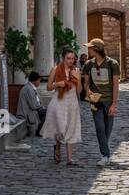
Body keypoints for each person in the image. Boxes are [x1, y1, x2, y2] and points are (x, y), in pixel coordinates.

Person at [83, 37, 120, 166]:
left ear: (96, 49)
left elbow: (115, 85)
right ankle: (105, 155)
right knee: (99, 127)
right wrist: (87, 90)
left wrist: (114, 103)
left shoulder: (112, 64)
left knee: (107, 129)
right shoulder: (88, 64)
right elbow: (86, 83)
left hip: (109, 100)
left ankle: (105, 151)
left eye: (90, 48)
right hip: (95, 100)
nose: (88, 50)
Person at [41, 48, 82, 165]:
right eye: (68, 58)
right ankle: (58, 147)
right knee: (60, 128)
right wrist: (58, 84)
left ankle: (70, 158)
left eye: (72, 59)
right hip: (59, 101)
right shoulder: (55, 69)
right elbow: (48, 87)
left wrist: (78, 79)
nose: (71, 61)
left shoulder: (76, 70)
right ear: (63, 58)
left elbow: (79, 91)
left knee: (71, 128)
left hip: (72, 103)